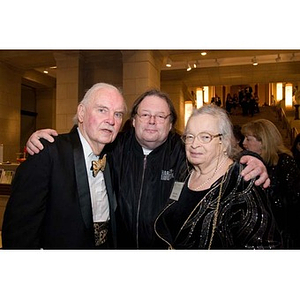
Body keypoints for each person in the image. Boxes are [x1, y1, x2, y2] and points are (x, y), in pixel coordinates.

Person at [25, 90, 270, 249]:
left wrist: (250, 159)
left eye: (160, 116)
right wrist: (46, 142)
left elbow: (217, 153)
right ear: (133, 121)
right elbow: (84, 142)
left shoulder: (184, 151)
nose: (152, 121)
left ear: (172, 123)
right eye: (145, 114)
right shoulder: (115, 147)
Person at [1, 83, 127, 249]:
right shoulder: (47, 152)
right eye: (102, 110)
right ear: (81, 113)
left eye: (118, 114)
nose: (111, 120)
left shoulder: (114, 156)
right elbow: (19, 230)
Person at [154, 105, 281, 249]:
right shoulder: (184, 172)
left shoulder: (244, 183)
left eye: (205, 137)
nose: (194, 144)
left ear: (224, 141)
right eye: (190, 136)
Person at [242, 119, 300, 248]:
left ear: (263, 141)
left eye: (248, 139)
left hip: (282, 235)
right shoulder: (248, 164)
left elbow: (294, 199)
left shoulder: (284, 162)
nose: (243, 143)